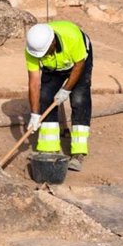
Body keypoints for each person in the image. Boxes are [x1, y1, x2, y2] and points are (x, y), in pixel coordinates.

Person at [25, 21, 93, 172]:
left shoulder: (72, 37)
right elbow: (34, 82)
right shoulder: (32, 48)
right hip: (53, 67)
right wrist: (35, 114)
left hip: (78, 61)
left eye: (45, 52)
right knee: (45, 97)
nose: (43, 56)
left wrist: (66, 89)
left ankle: (78, 152)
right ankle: (48, 148)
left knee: (79, 99)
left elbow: (79, 65)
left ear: (53, 42)